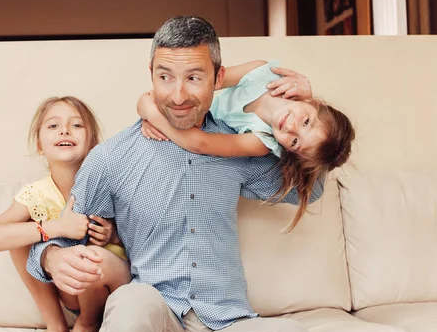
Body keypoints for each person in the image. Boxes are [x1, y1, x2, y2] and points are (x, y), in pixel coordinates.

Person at [27, 16, 324, 332]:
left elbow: (312, 189)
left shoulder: (237, 146)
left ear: (218, 78)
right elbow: (62, 234)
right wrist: (51, 258)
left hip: (225, 319)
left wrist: (308, 114)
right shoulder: (111, 157)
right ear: (151, 74)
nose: (178, 95)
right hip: (156, 309)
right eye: (165, 77)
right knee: (130, 301)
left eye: (194, 78)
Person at [137, 59, 354, 230]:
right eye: (306, 121)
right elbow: (211, 80)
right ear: (312, 102)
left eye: (295, 142)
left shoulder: (261, 141)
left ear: (288, 150)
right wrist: (163, 101)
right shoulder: (264, 73)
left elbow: (200, 143)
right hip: (190, 103)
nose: (291, 127)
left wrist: (153, 114)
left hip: (196, 123)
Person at [0, 96, 130, 332]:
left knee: (92, 256)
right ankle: (56, 325)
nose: (65, 131)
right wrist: (56, 227)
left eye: (76, 125)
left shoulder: (110, 187)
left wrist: (113, 234)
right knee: (19, 234)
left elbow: (146, 241)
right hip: (69, 292)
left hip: (112, 287)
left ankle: (88, 325)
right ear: (40, 144)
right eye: (53, 126)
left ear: (93, 143)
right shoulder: (36, 194)